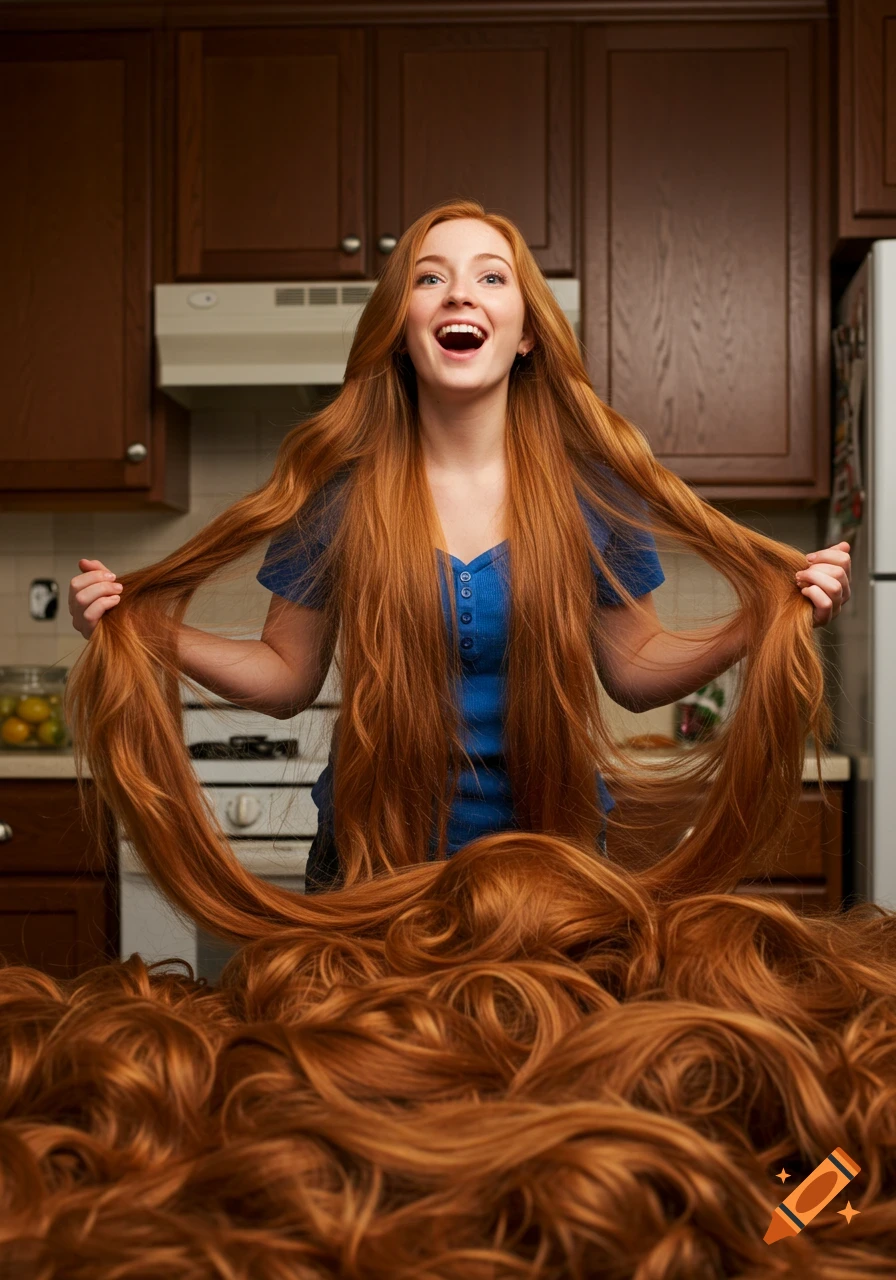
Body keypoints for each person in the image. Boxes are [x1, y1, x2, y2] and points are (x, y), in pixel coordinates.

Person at [68, 200, 850, 902]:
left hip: (553, 867)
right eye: (429, 278)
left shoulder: (597, 494)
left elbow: (636, 671)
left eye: (490, 277)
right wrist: (140, 626)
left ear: (528, 335)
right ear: (401, 334)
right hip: (368, 867)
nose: (459, 293)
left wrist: (768, 618)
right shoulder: (339, 493)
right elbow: (285, 677)